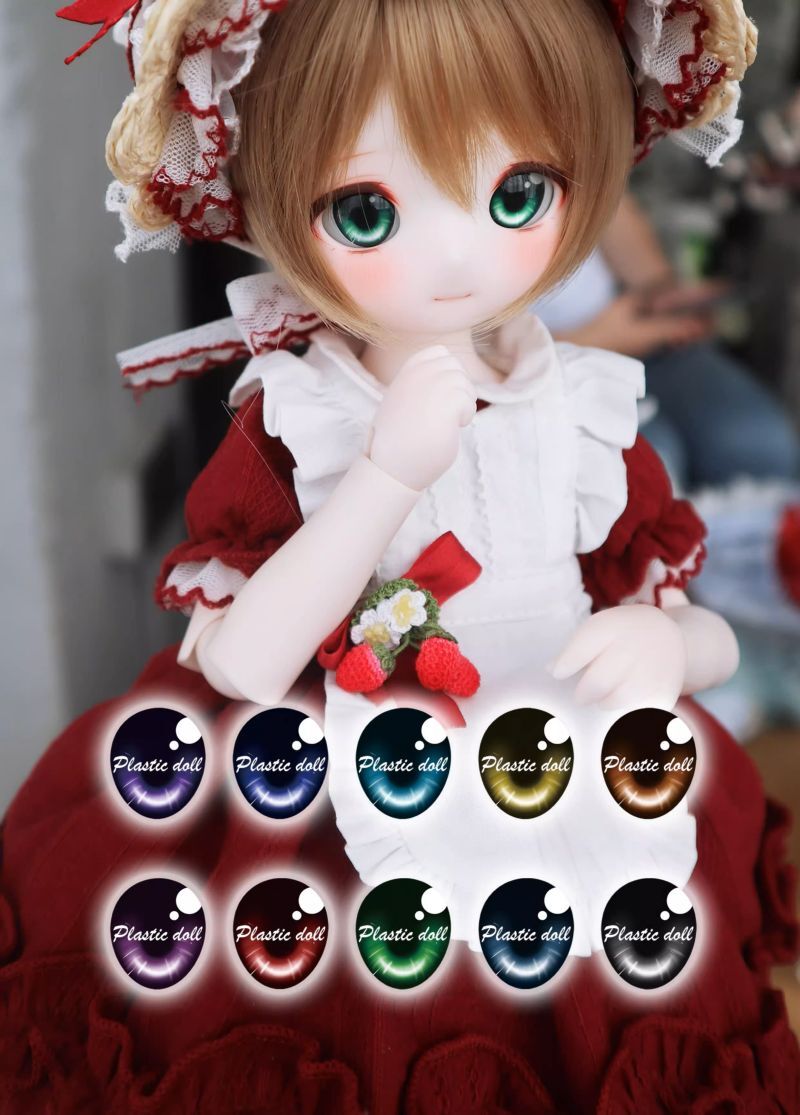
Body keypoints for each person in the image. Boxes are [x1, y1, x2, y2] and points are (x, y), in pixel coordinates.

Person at [2, 1, 798, 1112]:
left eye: (517, 193)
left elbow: (691, 619)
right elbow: (244, 663)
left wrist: (671, 644)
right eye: (367, 210)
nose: (455, 258)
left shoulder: (581, 407)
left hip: (564, 762)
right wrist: (382, 474)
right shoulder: (302, 414)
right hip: (334, 785)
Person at [535, 193, 800, 490]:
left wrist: (661, 292)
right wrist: (598, 339)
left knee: (762, 443)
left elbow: (608, 205)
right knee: (653, 469)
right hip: (544, 369)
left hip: (640, 338)